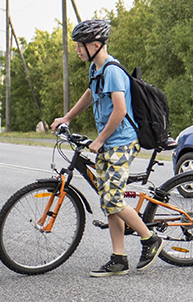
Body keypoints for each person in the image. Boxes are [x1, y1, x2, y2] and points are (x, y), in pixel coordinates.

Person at [49, 19, 163, 277]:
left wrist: (99, 140)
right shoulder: (95, 69)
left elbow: (121, 110)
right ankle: (119, 258)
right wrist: (67, 117)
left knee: (112, 198)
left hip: (122, 143)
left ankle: (150, 239)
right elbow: (90, 94)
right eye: (77, 45)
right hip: (109, 142)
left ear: (96, 44)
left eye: (81, 45)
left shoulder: (112, 70)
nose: (78, 49)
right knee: (108, 199)